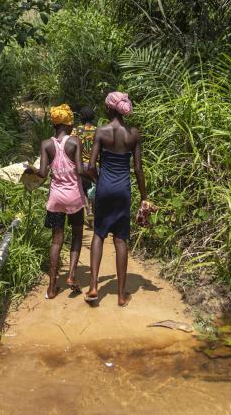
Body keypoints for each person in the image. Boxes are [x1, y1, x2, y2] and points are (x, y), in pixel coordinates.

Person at [85, 92, 150, 307]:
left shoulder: (102, 131)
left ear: (110, 109)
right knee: (121, 239)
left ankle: (94, 286)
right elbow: (138, 169)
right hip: (123, 190)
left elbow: (91, 166)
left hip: (104, 188)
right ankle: (121, 295)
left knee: (99, 234)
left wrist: (100, 181)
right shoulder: (134, 134)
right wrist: (144, 197)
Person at [25, 104, 87, 299]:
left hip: (56, 198)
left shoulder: (46, 144)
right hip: (74, 198)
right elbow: (79, 170)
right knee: (77, 235)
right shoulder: (75, 142)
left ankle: (51, 288)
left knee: (56, 240)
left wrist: (30, 170)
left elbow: (43, 174)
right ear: (68, 125)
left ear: (54, 124)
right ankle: (71, 276)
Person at [72, 106, 98, 218]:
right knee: (95, 187)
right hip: (95, 164)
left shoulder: (76, 130)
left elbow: (70, 144)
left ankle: (88, 210)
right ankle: (95, 210)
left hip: (81, 164)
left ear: (82, 117)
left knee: (83, 188)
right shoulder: (98, 130)